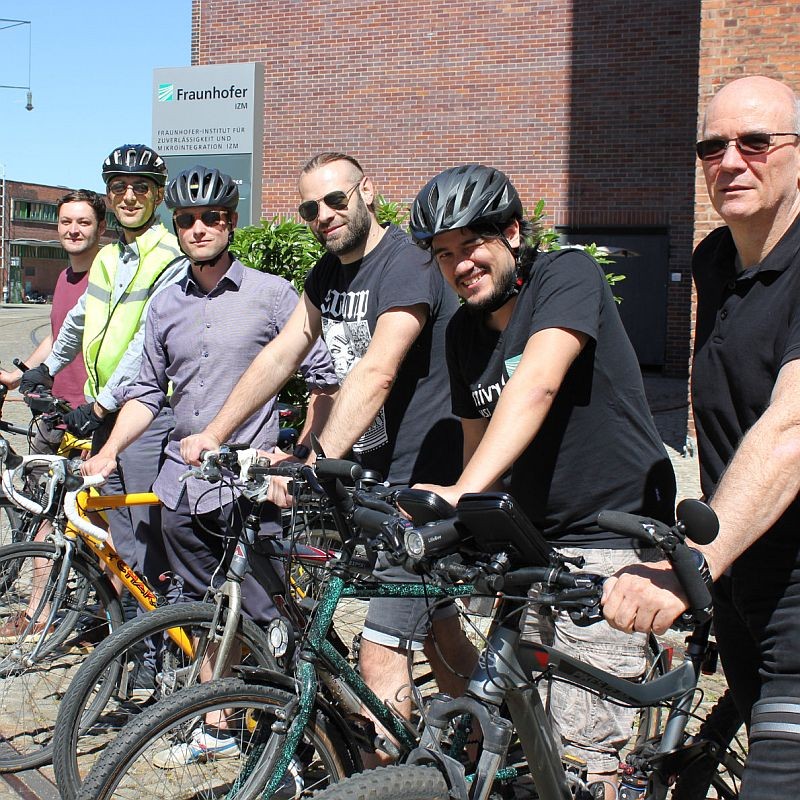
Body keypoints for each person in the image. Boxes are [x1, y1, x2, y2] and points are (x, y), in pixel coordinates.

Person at [180, 152, 474, 763]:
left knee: (380, 650)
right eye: (310, 208)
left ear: (369, 191)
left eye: (336, 200)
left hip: (423, 485)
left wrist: (311, 463)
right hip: (370, 484)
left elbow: (378, 370)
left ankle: (378, 776)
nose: (324, 216)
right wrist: (216, 432)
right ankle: (481, 738)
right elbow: (282, 354)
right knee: (437, 615)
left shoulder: (408, 264)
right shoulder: (327, 274)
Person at [409, 164, 676, 797]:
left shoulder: (565, 274)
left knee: (583, 760)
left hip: (609, 537)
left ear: (512, 231)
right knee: (523, 735)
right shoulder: (463, 333)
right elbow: (481, 446)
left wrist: (459, 491)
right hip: (535, 547)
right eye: (444, 255)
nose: (459, 265)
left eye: (470, 244)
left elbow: (538, 382)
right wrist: (462, 523)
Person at [82, 165, 339, 764]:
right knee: (205, 618)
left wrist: (299, 456)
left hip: (249, 491)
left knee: (266, 615)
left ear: (230, 222)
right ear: (178, 225)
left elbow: (326, 383)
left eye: (211, 218)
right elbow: (146, 393)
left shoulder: (274, 295)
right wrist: (108, 453)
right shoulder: (166, 304)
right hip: (181, 489)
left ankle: (303, 733)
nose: (199, 229)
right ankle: (220, 722)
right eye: (188, 220)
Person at [602, 75, 800, 798]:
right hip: (744, 582)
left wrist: (692, 562)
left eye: (757, 142)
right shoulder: (717, 261)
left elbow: (791, 430)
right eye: (712, 146)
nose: (731, 161)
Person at [19, 144, 187, 596]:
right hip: (106, 414)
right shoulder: (110, 258)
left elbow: (144, 344)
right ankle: (128, 639)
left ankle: (160, 648)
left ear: (158, 195)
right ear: (109, 197)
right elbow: (79, 319)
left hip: (145, 415)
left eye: (140, 188)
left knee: (148, 534)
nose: (129, 196)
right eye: (119, 188)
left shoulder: (170, 255)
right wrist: (47, 368)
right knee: (119, 534)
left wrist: (99, 405)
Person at [0, 189, 105, 643]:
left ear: (101, 228)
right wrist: (18, 373)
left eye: (83, 222)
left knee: (98, 521)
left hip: (91, 417)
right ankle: (38, 612)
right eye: (66, 221)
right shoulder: (64, 278)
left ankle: (111, 619)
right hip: (51, 414)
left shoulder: (108, 276)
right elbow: (59, 338)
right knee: (45, 515)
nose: (73, 229)